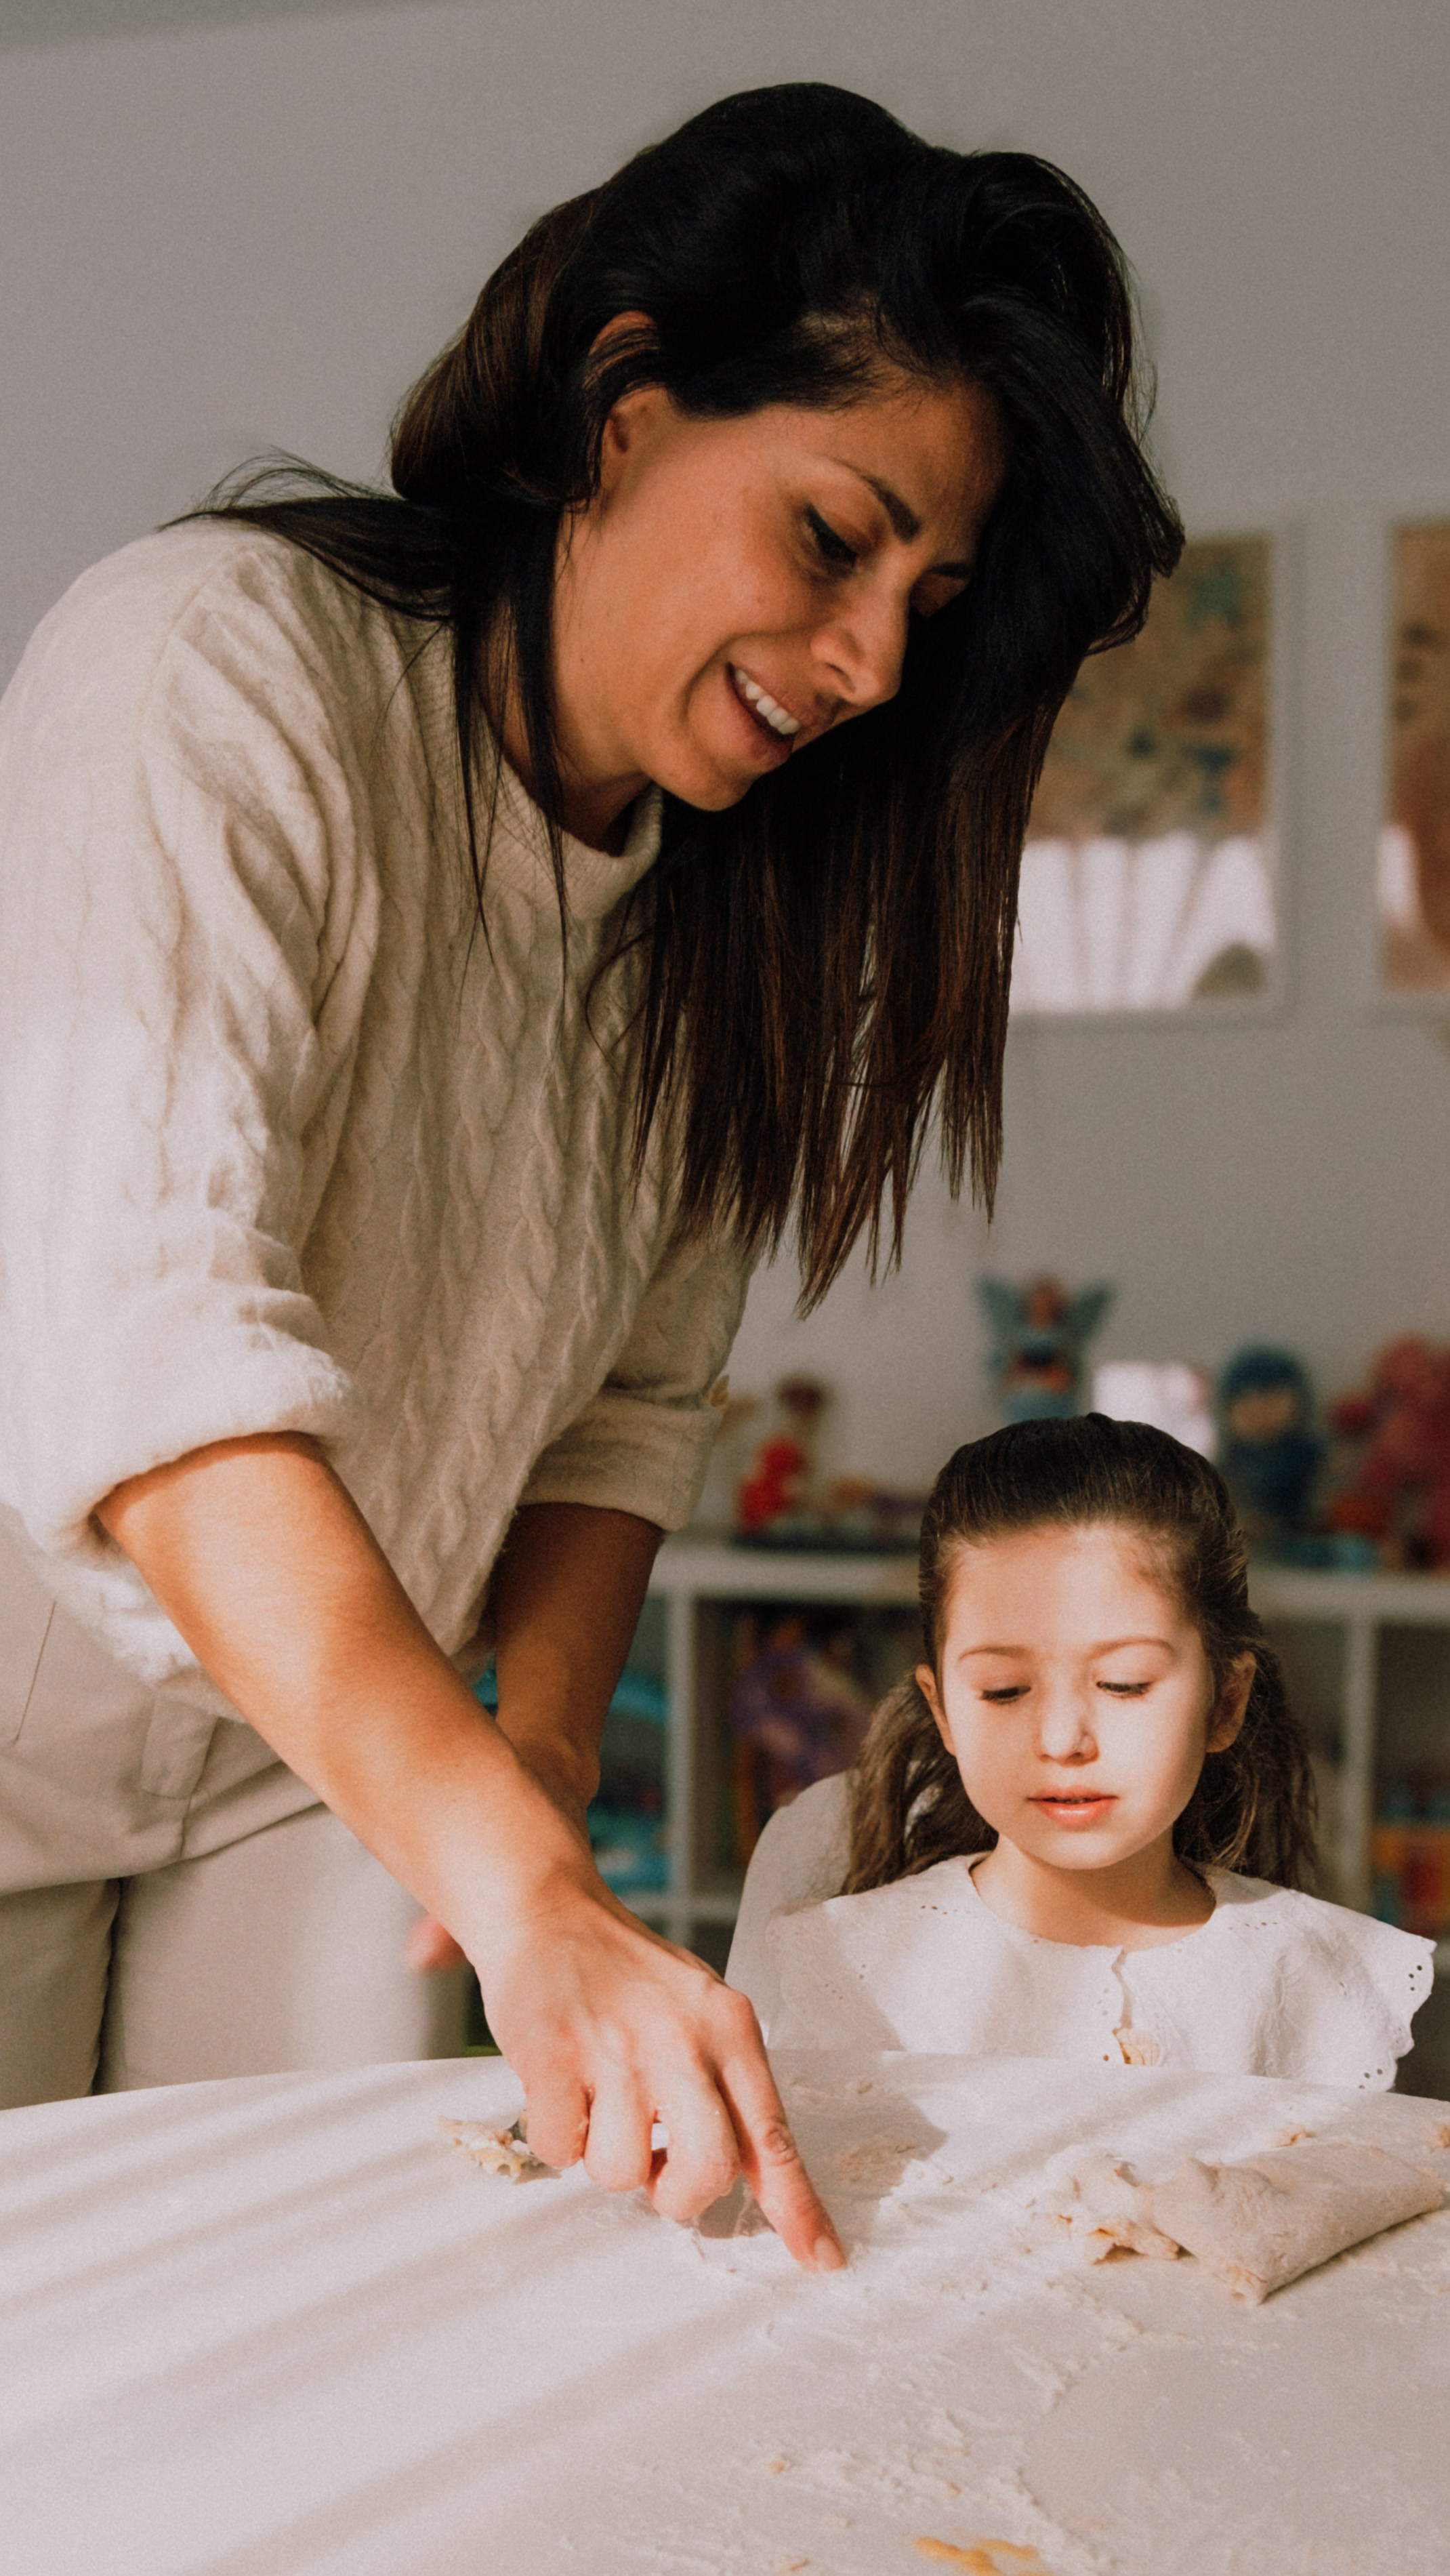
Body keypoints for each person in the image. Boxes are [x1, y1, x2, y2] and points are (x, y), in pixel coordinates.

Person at [0, 82, 1180, 2257]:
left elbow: (622, 1414)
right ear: (624, 406)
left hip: (301, 1770)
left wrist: (527, 1765)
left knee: (304, 2331)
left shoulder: (724, 921)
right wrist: (515, 1875)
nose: (868, 664)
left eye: (925, 597)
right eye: (833, 539)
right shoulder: (213, 671)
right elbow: (152, 1356)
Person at [728, 1416, 1434, 2087]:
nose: (1063, 1741)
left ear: (1226, 1702)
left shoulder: (1317, 1980)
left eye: (1123, 1685)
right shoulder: (841, 1973)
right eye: (1004, 1691)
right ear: (941, 1708)